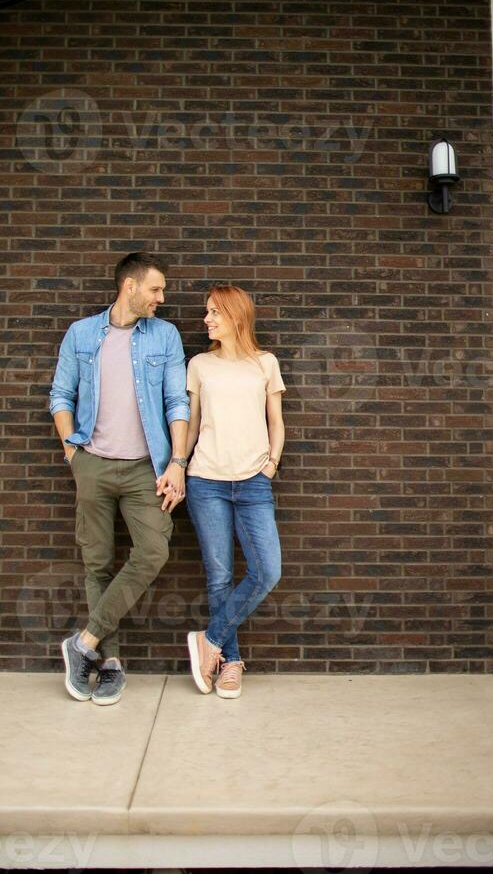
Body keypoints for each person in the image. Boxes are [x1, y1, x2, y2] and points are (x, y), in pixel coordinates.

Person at [48, 252, 190, 705]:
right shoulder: (82, 334)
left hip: (145, 469)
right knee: (98, 563)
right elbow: (60, 394)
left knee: (153, 550)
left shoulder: (164, 335)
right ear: (129, 286)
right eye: (155, 289)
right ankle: (108, 663)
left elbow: (177, 403)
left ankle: (83, 642)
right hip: (91, 460)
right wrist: (73, 450)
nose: (161, 298)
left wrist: (177, 462)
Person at [184, 285, 285, 699]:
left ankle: (209, 639)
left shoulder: (265, 363)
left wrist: (271, 464)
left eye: (214, 313)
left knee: (267, 572)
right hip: (205, 480)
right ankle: (230, 662)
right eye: (207, 312)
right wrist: (176, 466)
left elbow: (276, 421)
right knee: (220, 577)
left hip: (253, 482)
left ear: (236, 316)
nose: (206, 320)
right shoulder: (199, 365)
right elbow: (190, 425)